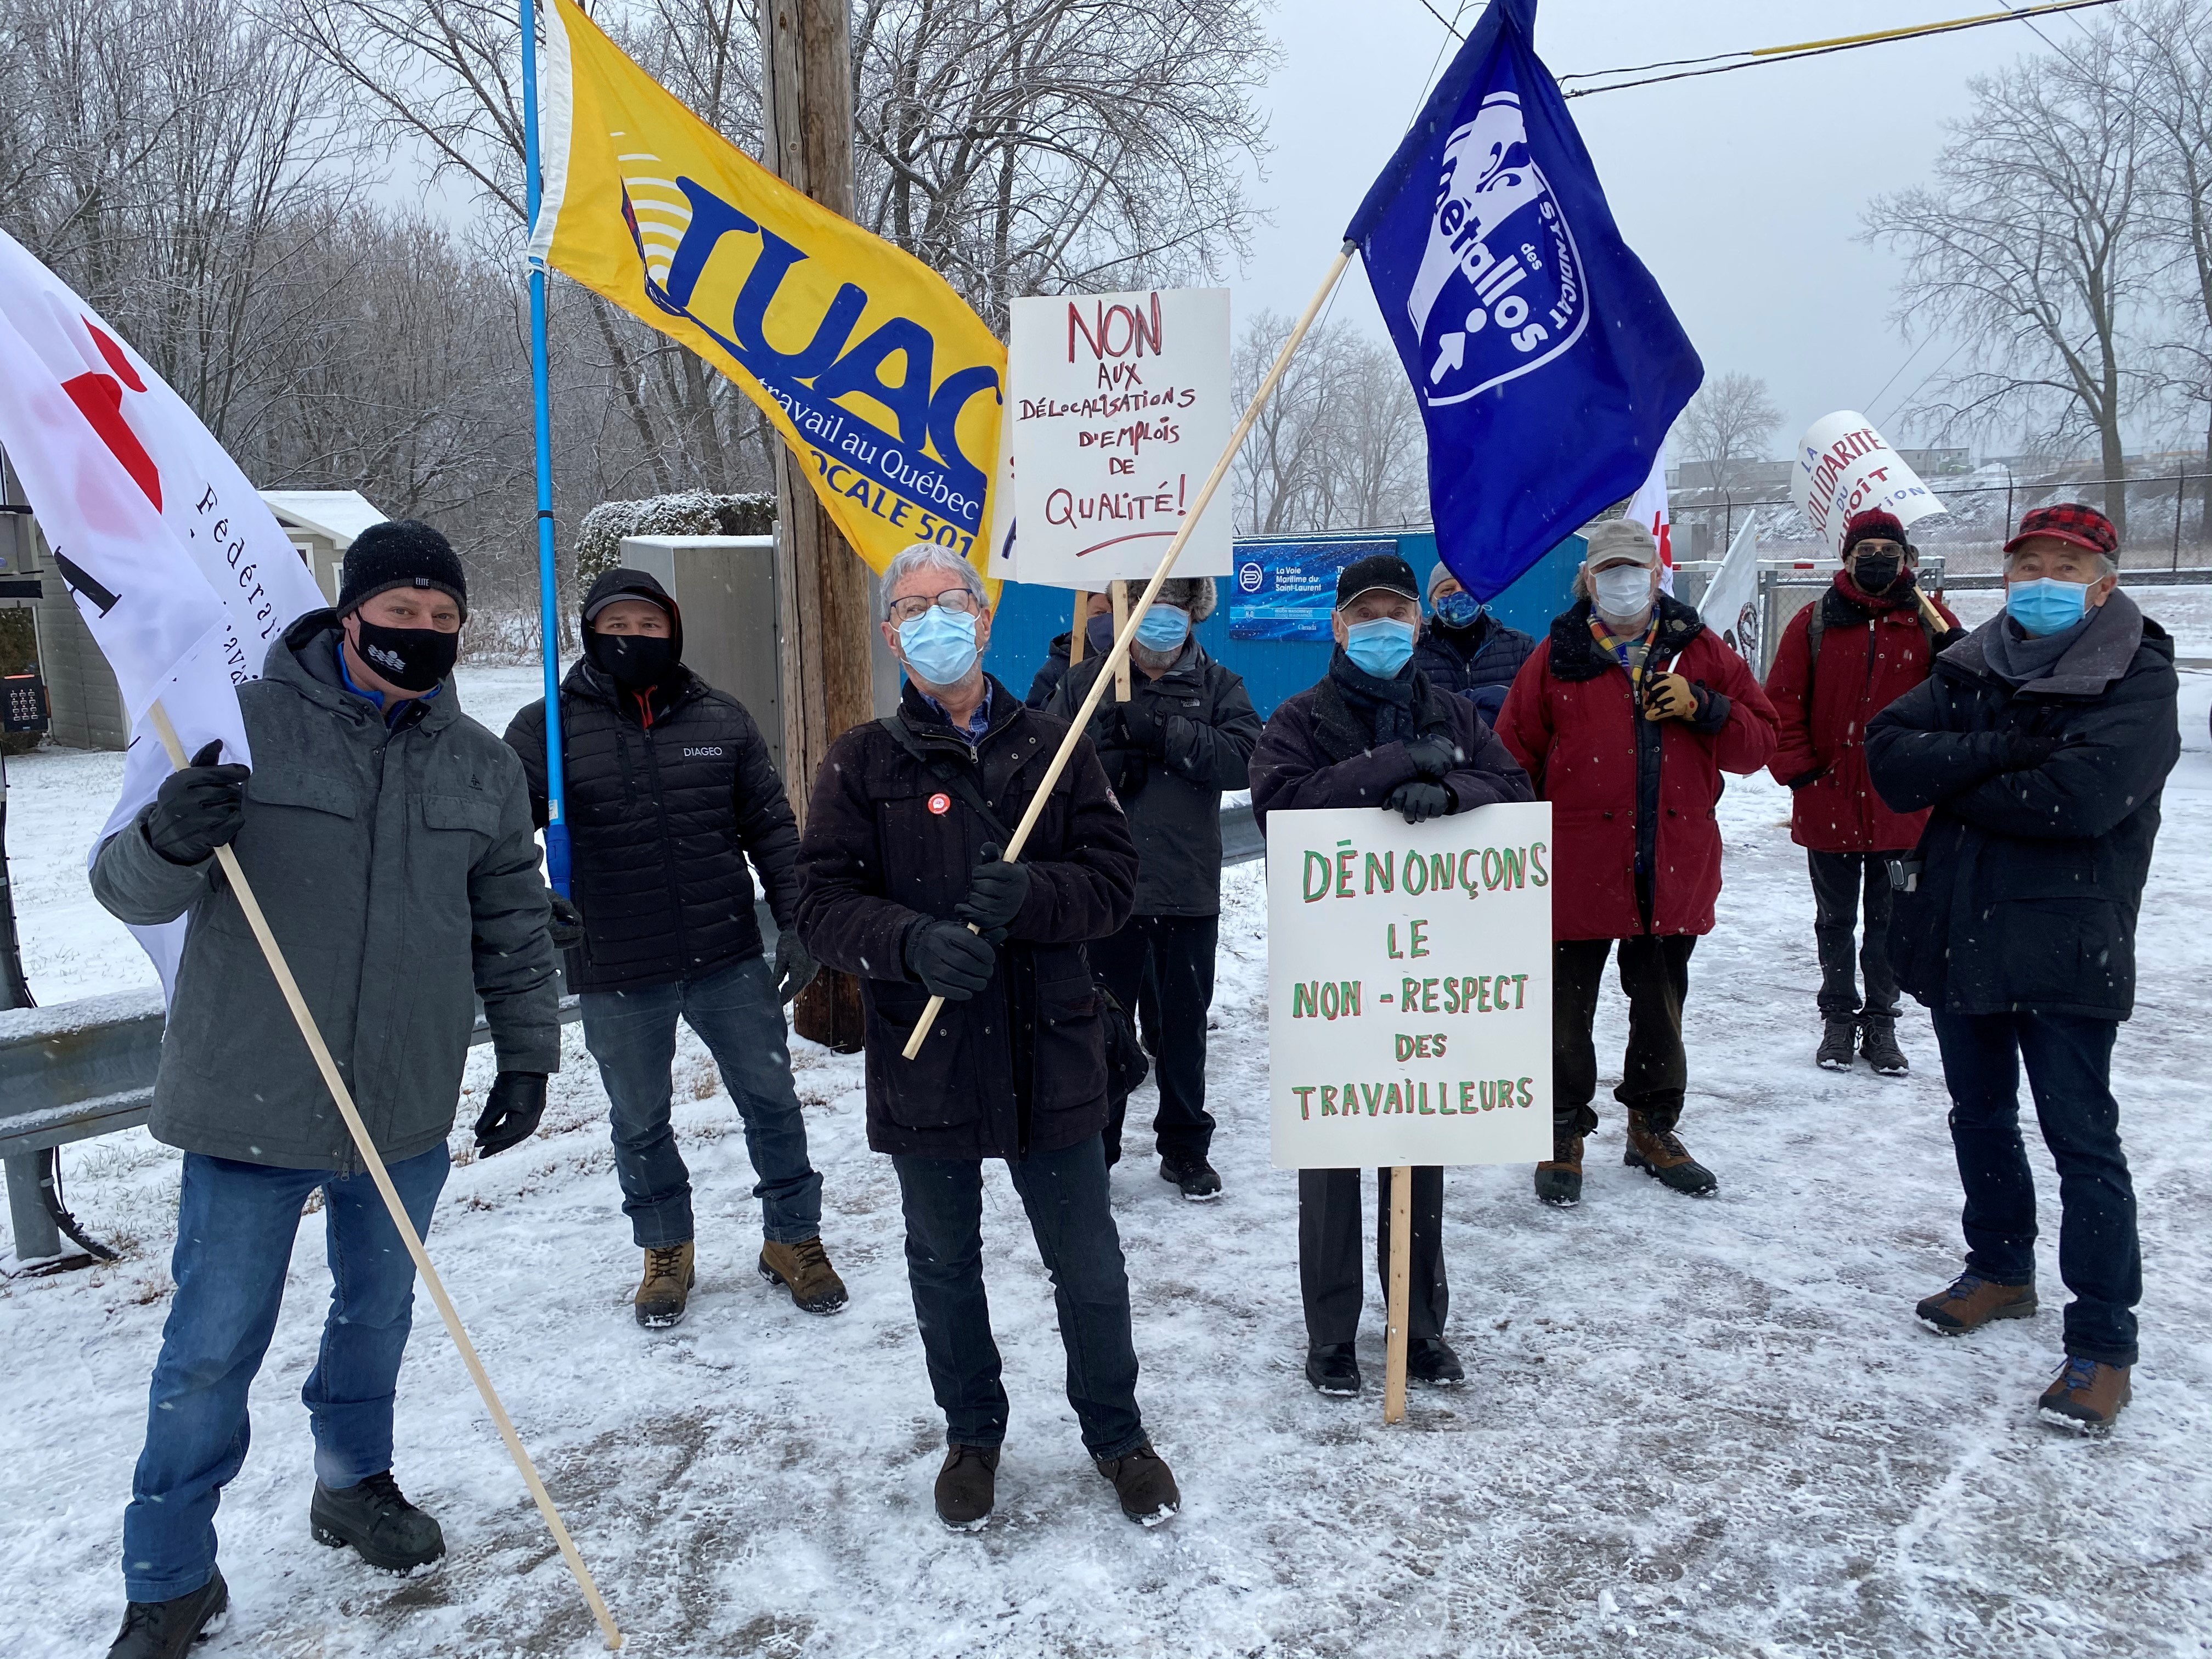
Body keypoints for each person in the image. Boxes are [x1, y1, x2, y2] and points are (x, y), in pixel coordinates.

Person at [89, 522, 559, 1657]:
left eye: (444, 621)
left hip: (402, 1103)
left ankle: (353, 1483)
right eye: (403, 613)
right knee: (211, 1346)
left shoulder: (483, 765)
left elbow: (513, 920)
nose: (424, 636)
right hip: (250, 1099)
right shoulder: (232, 724)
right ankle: (170, 1575)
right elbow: (122, 885)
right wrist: (169, 833)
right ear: (349, 614)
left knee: (378, 1312)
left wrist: (529, 1050)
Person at [794, 543, 1179, 1530]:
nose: (933, 618)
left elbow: (1112, 882)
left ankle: (1117, 1431)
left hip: (1049, 1046)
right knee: (943, 1260)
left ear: (982, 614)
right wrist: (911, 941)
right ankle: (972, 1430)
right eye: (911, 606)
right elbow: (821, 905)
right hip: (927, 1058)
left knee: (1087, 1260)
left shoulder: (1056, 742)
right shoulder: (860, 759)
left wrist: (1036, 895)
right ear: (890, 632)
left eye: (950, 600)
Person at [1866, 503, 2178, 1434]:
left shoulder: (2135, 671)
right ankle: (2000, 1265)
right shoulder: (1971, 662)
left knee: (2082, 1137)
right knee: (1978, 1112)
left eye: (2064, 565)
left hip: (2064, 940)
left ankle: (2102, 1340)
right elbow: (1889, 758)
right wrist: (2002, 749)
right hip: (1963, 928)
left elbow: (2079, 798)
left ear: (2103, 581)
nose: (2041, 580)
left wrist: (1954, 776)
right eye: (2027, 564)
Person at [504, 568, 842, 1331]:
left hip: (726, 954)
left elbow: (772, 830)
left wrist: (799, 922)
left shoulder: (720, 719)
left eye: (649, 626)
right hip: (617, 966)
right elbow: (495, 841)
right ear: (591, 632)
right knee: (640, 1119)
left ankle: (794, 1237)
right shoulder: (546, 730)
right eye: (617, 626)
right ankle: (666, 1248)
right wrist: (532, 902)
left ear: (674, 632)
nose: (634, 639)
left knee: (772, 1101)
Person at [1249, 551, 1534, 1398]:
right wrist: (1396, 766)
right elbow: (1280, 805)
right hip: (1336, 974)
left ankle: (1419, 1326)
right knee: (1334, 1151)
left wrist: (1453, 793)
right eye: (1365, 616)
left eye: (1396, 615)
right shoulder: (1300, 716)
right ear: (1338, 627)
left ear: (1416, 625)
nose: (1383, 629)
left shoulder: (1453, 711)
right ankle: (1331, 1335)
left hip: (1431, 965)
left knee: (1419, 1140)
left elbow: (1514, 785)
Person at [1496, 517, 1777, 1207]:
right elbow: (1512, 756)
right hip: (1576, 866)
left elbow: (1759, 745)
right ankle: (1561, 1129)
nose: (1623, 583)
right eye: (1608, 571)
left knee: (1660, 1008)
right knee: (1565, 1012)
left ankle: (1652, 1127)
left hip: (1672, 863)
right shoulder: (1556, 656)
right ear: (1588, 580)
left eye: (1635, 569)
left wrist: (1706, 707)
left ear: (1657, 576)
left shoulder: (1701, 651)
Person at [1046, 575, 1260, 1197]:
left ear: (1194, 615)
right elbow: (1043, 762)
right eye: (1148, 607)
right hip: (1105, 891)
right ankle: (1099, 1145)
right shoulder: (1086, 684)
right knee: (1100, 1026)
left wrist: (1169, 732)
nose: (1162, 622)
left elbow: (1247, 756)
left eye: (1175, 608)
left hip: (1187, 887)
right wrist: (1098, 760)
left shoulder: (1219, 685)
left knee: (1183, 1026)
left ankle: (1186, 1146)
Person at [1764, 509, 1962, 1076]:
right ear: (1847, 557)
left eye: (1888, 550)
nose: (1877, 559)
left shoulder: (1931, 623)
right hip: (1828, 809)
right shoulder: (1814, 623)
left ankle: (1882, 1021)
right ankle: (1838, 1018)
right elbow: (1783, 704)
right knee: (1834, 919)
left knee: (1894, 916)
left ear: (1906, 560)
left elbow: (1961, 711)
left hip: (1905, 817)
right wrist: (1803, 773)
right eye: (1866, 549)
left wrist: (1962, 661)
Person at [1412, 560, 1537, 723]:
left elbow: (1534, 713)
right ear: (1433, 601)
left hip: (1502, 747)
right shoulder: (1413, 649)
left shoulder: (1519, 646)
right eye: (1448, 590)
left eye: (1468, 588)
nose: (1459, 595)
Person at [1024, 590, 1113, 708]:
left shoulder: (1141, 660)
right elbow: (1035, 718)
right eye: (1100, 613)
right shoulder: (1060, 667)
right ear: (1084, 615)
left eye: (1117, 613)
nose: (1109, 620)